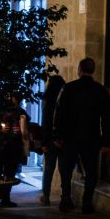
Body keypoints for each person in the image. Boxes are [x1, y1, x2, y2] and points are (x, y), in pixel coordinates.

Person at [54, 57, 110, 214]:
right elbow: (106, 118)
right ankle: (87, 202)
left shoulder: (68, 88)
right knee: (91, 171)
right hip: (91, 137)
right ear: (93, 70)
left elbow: (59, 114)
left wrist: (58, 135)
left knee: (66, 170)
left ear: (79, 70)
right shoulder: (101, 91)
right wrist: (105, 140)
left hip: (70, 137)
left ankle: (66, 198)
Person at [0, 93, 29, 207]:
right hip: (8, 145)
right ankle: (2, 198)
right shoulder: (19, 112)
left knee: (2, 172)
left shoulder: (17, 112)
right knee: (5, 172)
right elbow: (24, 132)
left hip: (6, 145)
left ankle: (0, 198)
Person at [39, 75, 66, 206]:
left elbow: (45, 123)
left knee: (49, 168)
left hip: (50, 139)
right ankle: (65, 196)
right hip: (63, 139)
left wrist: (44, 142)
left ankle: (46, 195)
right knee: (64, 168)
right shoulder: (64, 99)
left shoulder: (47, 100)